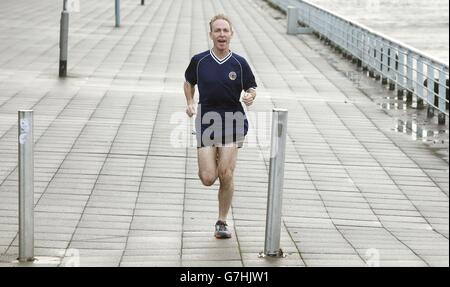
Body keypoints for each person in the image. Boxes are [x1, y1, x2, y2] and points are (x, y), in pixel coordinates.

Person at [183, 14, 257, 239]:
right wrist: (189, 102)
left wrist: (250, 96)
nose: (222, 35)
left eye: (226, 31)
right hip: (206, 119)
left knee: (225, 173)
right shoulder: (200, 61)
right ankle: (217, 158)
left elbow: (252, 87)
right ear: (211, 34)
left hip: (233, 119)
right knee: (207, 178)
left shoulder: (240, 63)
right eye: (218, 31)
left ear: (231, 34)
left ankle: (222, 222)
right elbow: (188, 82)